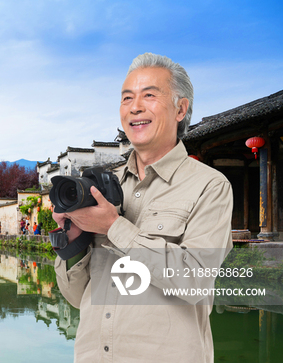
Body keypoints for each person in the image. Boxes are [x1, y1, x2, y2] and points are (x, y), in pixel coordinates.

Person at [52, 53, 232, 362]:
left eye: (149, 95)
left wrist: (113, 227)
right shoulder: (103, 188)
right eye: (127, 98)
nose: (135, 107)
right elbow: (76, 297)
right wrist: (73, 240)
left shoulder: (210, 186)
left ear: (180, 108)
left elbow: (196, 282)